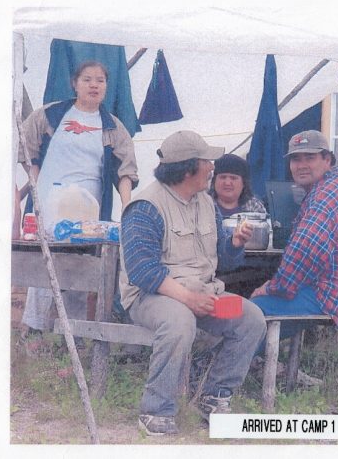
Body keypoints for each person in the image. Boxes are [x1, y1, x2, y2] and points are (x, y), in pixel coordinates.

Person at [119, 130, 266, 436]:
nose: (212, 167)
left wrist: (235, 243)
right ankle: (156, 409)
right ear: (188, 168)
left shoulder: (205, 203)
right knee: (179, 323)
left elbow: (223, 260)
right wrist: (188, 299)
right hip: (152, 298)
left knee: (250, 319)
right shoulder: (145, 206)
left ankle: (215, 398)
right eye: (206, 162)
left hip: (202, 295)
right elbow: (143, 271)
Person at [18, 60, 138, 335]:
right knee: (44, 268)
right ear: (75, 83)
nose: (94, 85)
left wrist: (127, 206)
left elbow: (125, 171)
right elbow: (27, 148)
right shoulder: (51, 115)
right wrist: (34, 184)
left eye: (100, 80)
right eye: (87, 79)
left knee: (79, 270)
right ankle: (34, 334)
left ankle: (70, 335)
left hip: (88, 210)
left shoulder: (112, 127)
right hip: (48, 203)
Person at [250, 130, 338, 333]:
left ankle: (225, 363)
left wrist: (272, 287)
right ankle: (262, 361)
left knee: (251, 314)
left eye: (309, 158)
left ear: (327, 159)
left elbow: (306, 252)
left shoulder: (327, 195)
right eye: (295, 159)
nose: (301, 166)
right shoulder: (334, 185)